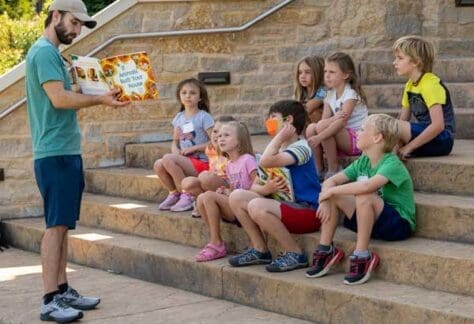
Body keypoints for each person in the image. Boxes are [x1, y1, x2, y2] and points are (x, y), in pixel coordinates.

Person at [25, 0, 129, 322]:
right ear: (55, 15)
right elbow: (59, 99)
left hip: (64, 150)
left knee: (63, 225)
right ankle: (48, 300)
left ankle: (62, 288)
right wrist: (99, 98)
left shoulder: (54, 55)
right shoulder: (43, 52)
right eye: (73, 22)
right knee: (55, 227)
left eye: (80, 25)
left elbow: (64, 93)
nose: (76, 29)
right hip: (54, 152)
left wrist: (92, 85)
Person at [305, 114, 415, 285]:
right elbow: (330, 181)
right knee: (336, 194)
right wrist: (326, 198)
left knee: (364, 195)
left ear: (377, 137)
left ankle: (362, 255)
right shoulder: (362, 162)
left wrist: (330, 192)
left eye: (362, 129)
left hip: (398, 225)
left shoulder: (392, 163)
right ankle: (325, 250)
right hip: (371, 220)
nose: (356, 132)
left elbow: (366, 187)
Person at [228, 100, 321, 272]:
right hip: (284, 208)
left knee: (257, 205)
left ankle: (295, 253)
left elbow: (266, 161)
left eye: (273, 117)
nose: (268, 121)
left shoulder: (302, 147)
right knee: (236, 196)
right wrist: (266, 189)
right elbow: (254, 187)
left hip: (307, 211)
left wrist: (279, 137)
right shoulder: (274, 149)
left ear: (288, 121)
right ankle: (259, 249)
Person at [195, 121, 257, 262]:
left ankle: (217, 244)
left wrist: (233, 193)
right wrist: (226, 190)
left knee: (209, 196)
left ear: (239, 141)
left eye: (226, 135)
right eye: (220, 135)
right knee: (201, 198)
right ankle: (215, 240)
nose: (220, 138)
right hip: (235, 206)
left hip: (249, 207)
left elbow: (257, 187)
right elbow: (235, 187)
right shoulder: (229, 165)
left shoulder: (248, 160)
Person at [154, 78, 214, 211]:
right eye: (184, 93)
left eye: (192, 93)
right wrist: (175, 151)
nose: (188, 96)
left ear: (200, 98)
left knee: (168, 159)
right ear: (179, 96)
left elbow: (215, 142)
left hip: (202, 162)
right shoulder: (179, 118)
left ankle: (188, 195)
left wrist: (195, 148)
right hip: (186, 161)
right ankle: (174, 193)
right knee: (159, 164)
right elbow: (175, 141)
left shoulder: (204, 117)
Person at [306, 52, 368, 180]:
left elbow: (341, 123)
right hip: (342, 137)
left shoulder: (350, 95)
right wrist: (332, 119)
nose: (327, 76)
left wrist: (319, 137)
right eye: (325, 71)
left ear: (345, 75)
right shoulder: (329, 95)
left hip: (358, 139)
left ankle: (334, 168)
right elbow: (323, 122)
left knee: (321, 128)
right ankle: (319, 169)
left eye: (332, 72)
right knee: (311, 128)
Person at [392, 35, 456, 159]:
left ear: (416, 61)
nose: (394, 62)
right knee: (382, 130)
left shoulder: (430, 84)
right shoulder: (409, 85)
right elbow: (402, 120)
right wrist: (396, 142)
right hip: (423, 136)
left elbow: (438, 126)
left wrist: (408, 147)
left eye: (400, 58)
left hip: (442, 139)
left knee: (388, 126)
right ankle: (380, 172)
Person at [180, 115, 235, 217]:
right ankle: (203, 203)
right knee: (187, 182)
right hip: (211, 183)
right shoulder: (210, 149)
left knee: (206, 177)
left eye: (223, 133)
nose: (216, 136)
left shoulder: (232, 151)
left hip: (227, 185)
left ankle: (214, 204)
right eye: (215, 131)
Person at [294, 55, 327, 173]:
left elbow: (308, 108)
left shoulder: (324, 90)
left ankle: (318, 168)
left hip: (322, 131)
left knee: (307, 113)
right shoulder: (301, 93)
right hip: (308, 131)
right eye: (300, 72)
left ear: (317, 73)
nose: (302, 76)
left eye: (307, 72)